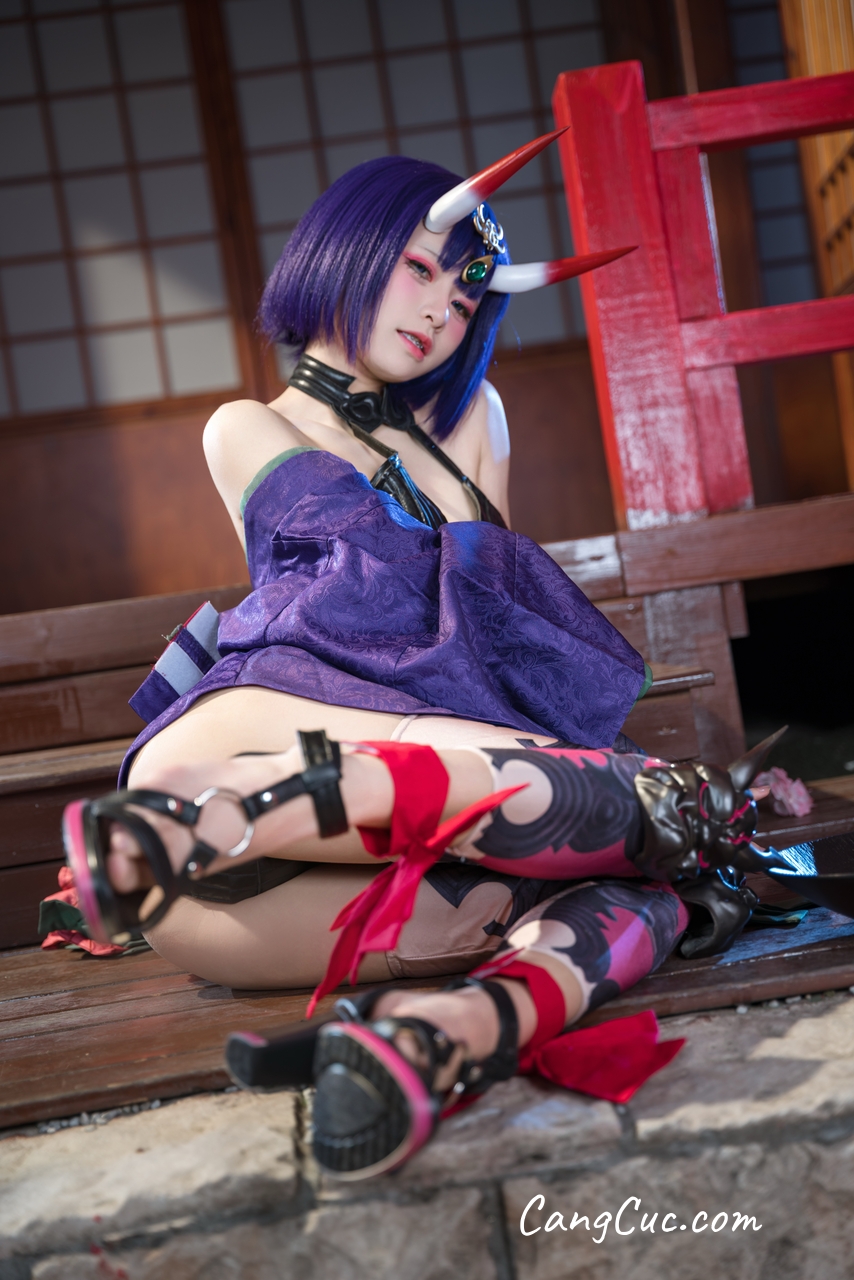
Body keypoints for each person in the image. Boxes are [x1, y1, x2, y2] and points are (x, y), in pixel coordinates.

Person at [62, 133, 780, 1180]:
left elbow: (496, 631)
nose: (440, 311)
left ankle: (438, 1036)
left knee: (661, 873)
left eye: (464, 297)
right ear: (347, 248)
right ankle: (194, 828)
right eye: (418, 269)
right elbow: (366, 601)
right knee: (656, 811)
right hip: (259, 740)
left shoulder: (472, 419)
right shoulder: (246, 426)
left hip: (330, 879)